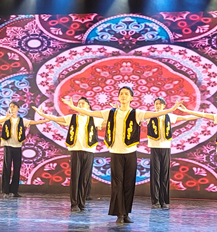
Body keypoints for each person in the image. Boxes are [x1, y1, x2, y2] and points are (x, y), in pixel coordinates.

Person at [63, 87, 182, 224]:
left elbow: (155, 114)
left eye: (126, 94)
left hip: (130, 153)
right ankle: (119, 214)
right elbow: (90, 112)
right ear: (118, 97)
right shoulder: (111, 112)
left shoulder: (137, 113)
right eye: (121, 94)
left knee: (129, 185)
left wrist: (172, 109)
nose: (123, 96)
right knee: (117, 185)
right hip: (116, 153)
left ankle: (126, 214)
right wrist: (73, 107)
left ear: (131, 98)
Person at [35, 97, 103, 212]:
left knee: (85, 179)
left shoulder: (94, 119)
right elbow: (56, 118)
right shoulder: (72, 118)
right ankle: (74, 204)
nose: (80, 105)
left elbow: (108, 120)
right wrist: (42, 114)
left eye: (83, 103)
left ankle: (82, 203)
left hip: (89, 151)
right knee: (75, 177)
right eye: (79, 103)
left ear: (88, 106)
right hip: (76, 150)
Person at [145, 97, 199, 210]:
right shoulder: (150, 116)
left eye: (160, 104)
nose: (158, 105)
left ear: (164, 106)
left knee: (164, 175)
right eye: (156, 103)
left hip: (165, 148)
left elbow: (185, 117)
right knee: (155, 175)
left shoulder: (169, 116)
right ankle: (155, 201)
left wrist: (199, 115)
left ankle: (164, 200)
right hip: (154, 148)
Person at [0, 101, 48, 199]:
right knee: (7, 168)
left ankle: (14, 191)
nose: (12, 108)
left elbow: (34, 122)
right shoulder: (5, 119)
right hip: (8, 146)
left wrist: (47, 119)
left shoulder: (22, 120)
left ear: (18, 108)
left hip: (17, 147)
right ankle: (5, 191)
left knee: (17, 169)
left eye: (14, 106)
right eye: (10, 106)